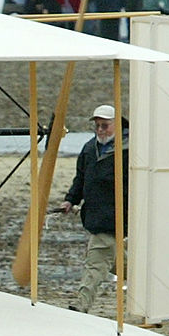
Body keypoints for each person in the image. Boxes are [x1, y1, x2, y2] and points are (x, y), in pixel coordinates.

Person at [60, 105, 128, 313]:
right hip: (95, 216)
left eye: (105, 126)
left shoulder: (131, 150)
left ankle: (82, 304)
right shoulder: (89, 148)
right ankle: (156, 289)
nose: (100, 130)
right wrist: (70, 200)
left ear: (117, 124)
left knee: (96, 262)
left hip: (117, 216)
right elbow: (80, 178)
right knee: (119, 264)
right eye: (97, 126)